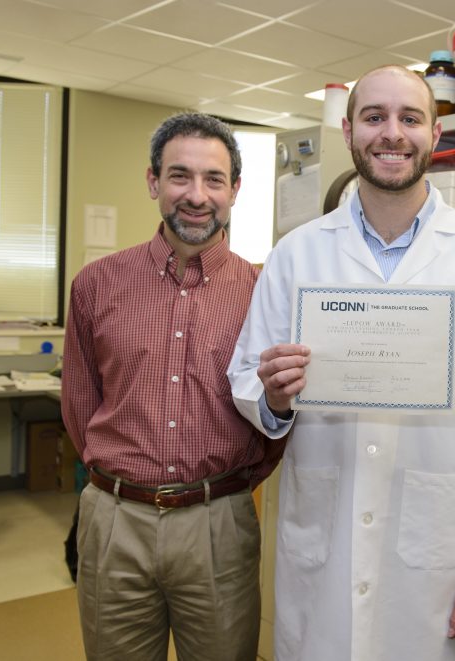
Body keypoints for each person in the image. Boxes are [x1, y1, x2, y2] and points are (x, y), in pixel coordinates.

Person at [228, 65, 455, 661]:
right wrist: (272, 397)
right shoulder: (296, 256)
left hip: (437, 559)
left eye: (409, 118)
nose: (391, 133)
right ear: (349, 131)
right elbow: (247, 377)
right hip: (325, 542)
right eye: (374, 117)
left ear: (436, 133)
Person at [61, 112, 284, 661]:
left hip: (219, 523)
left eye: (214, 179)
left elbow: (277, 409)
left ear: (235, 190)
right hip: (116, 520)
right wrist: (113, 481)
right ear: (153, 182)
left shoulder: (265, 290)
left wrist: (232, 486)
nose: (196, 195)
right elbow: (80, 402)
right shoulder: (97, 283)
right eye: (179, 176)